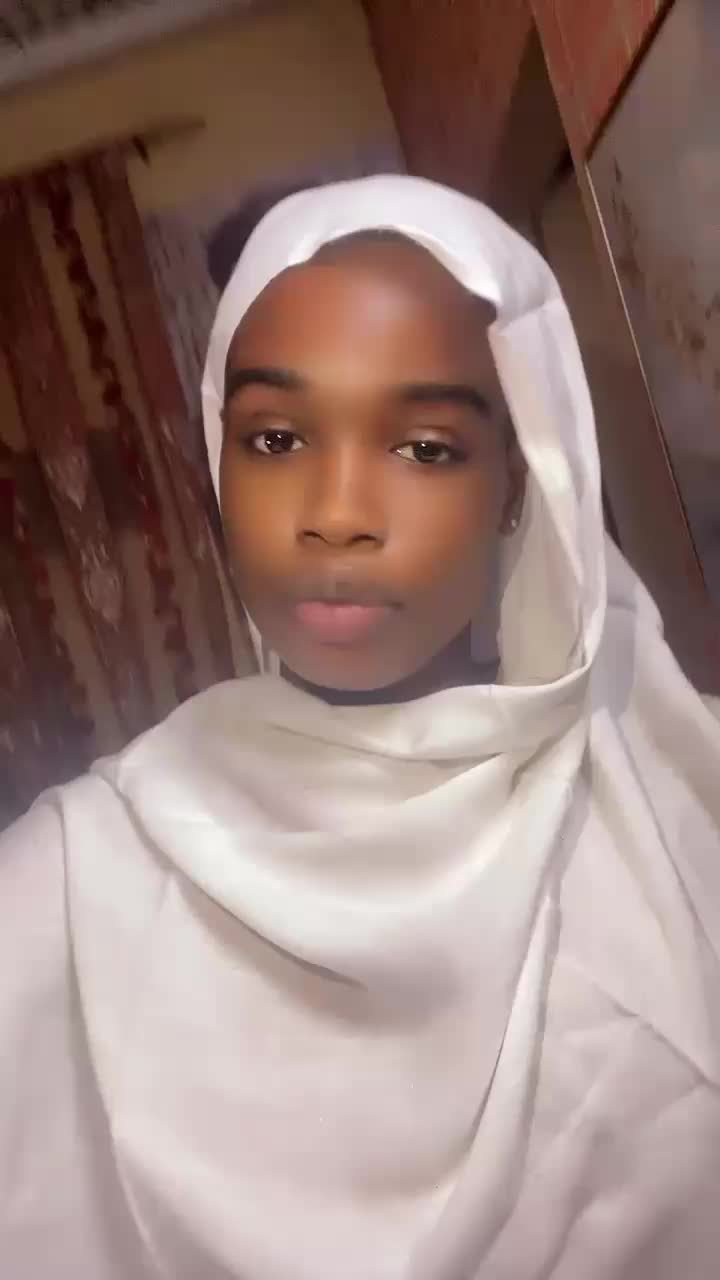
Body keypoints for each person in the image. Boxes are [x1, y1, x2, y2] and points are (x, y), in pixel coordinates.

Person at [1, 175, 719, 1280]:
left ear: (519, 481)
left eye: (425, 447)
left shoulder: (678, 807)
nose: (336, 513)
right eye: (277, 438)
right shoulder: (66, 882)